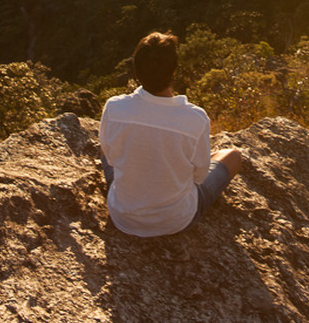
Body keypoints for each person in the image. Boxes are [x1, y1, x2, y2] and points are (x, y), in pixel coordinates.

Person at [99, 31, 243, 237]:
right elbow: (199, 177)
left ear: (136, 70)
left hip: (123, 215)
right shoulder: (195, 118)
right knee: (233, 156)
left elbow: (111, 159)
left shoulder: (115, 108)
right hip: (176, 219)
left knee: (104, 150)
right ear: (173, 71)